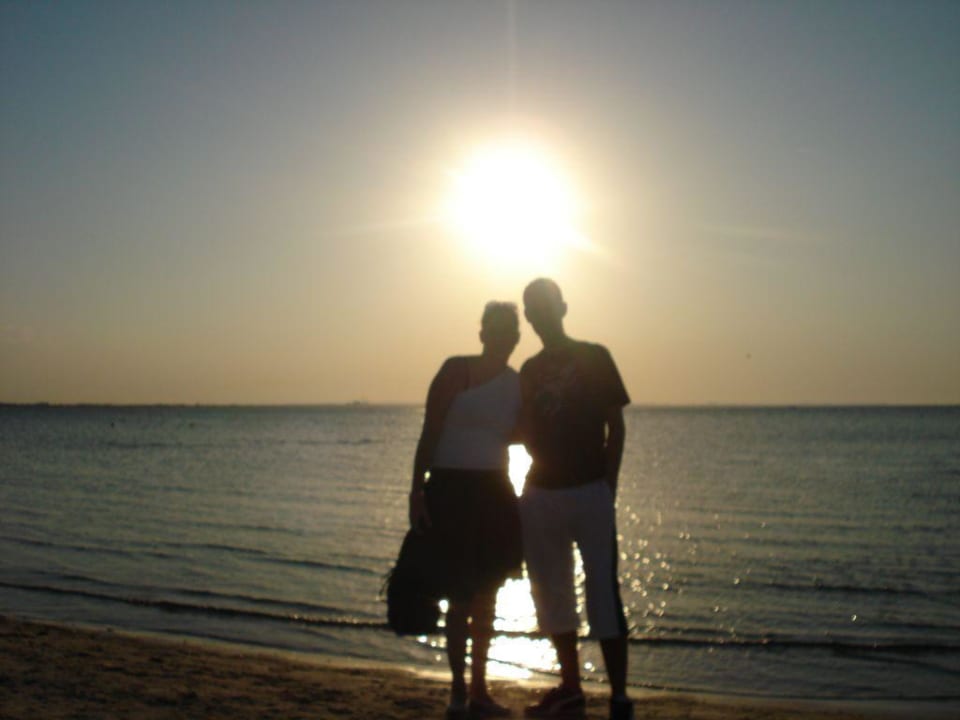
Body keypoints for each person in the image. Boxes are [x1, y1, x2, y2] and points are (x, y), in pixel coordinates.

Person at [518, 278, 634, 720]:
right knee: (552, 594)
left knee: (603, 591)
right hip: (541, 492)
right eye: (533, 309)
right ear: (529, 317)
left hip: (590, 490)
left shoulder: (595, 356)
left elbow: (615, 426)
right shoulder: (529, 370)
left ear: (563, 308)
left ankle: (619, 695)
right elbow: (524, 426)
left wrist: (609, 484)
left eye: (545, 307)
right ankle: (571, 688)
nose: (540, 316)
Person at [409, 302, 523, 720]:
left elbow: (525, 432)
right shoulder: (455, 369)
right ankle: (458, 690)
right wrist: (416, 490)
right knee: (458, 596)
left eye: (509, 329)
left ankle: (479, 689)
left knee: (487, 597)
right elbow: (430, 430)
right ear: (482, 333)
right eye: (495, 328)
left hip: (494, 491)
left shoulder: (517, 384)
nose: (503, 336)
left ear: (517, 337)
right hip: (450, 488)